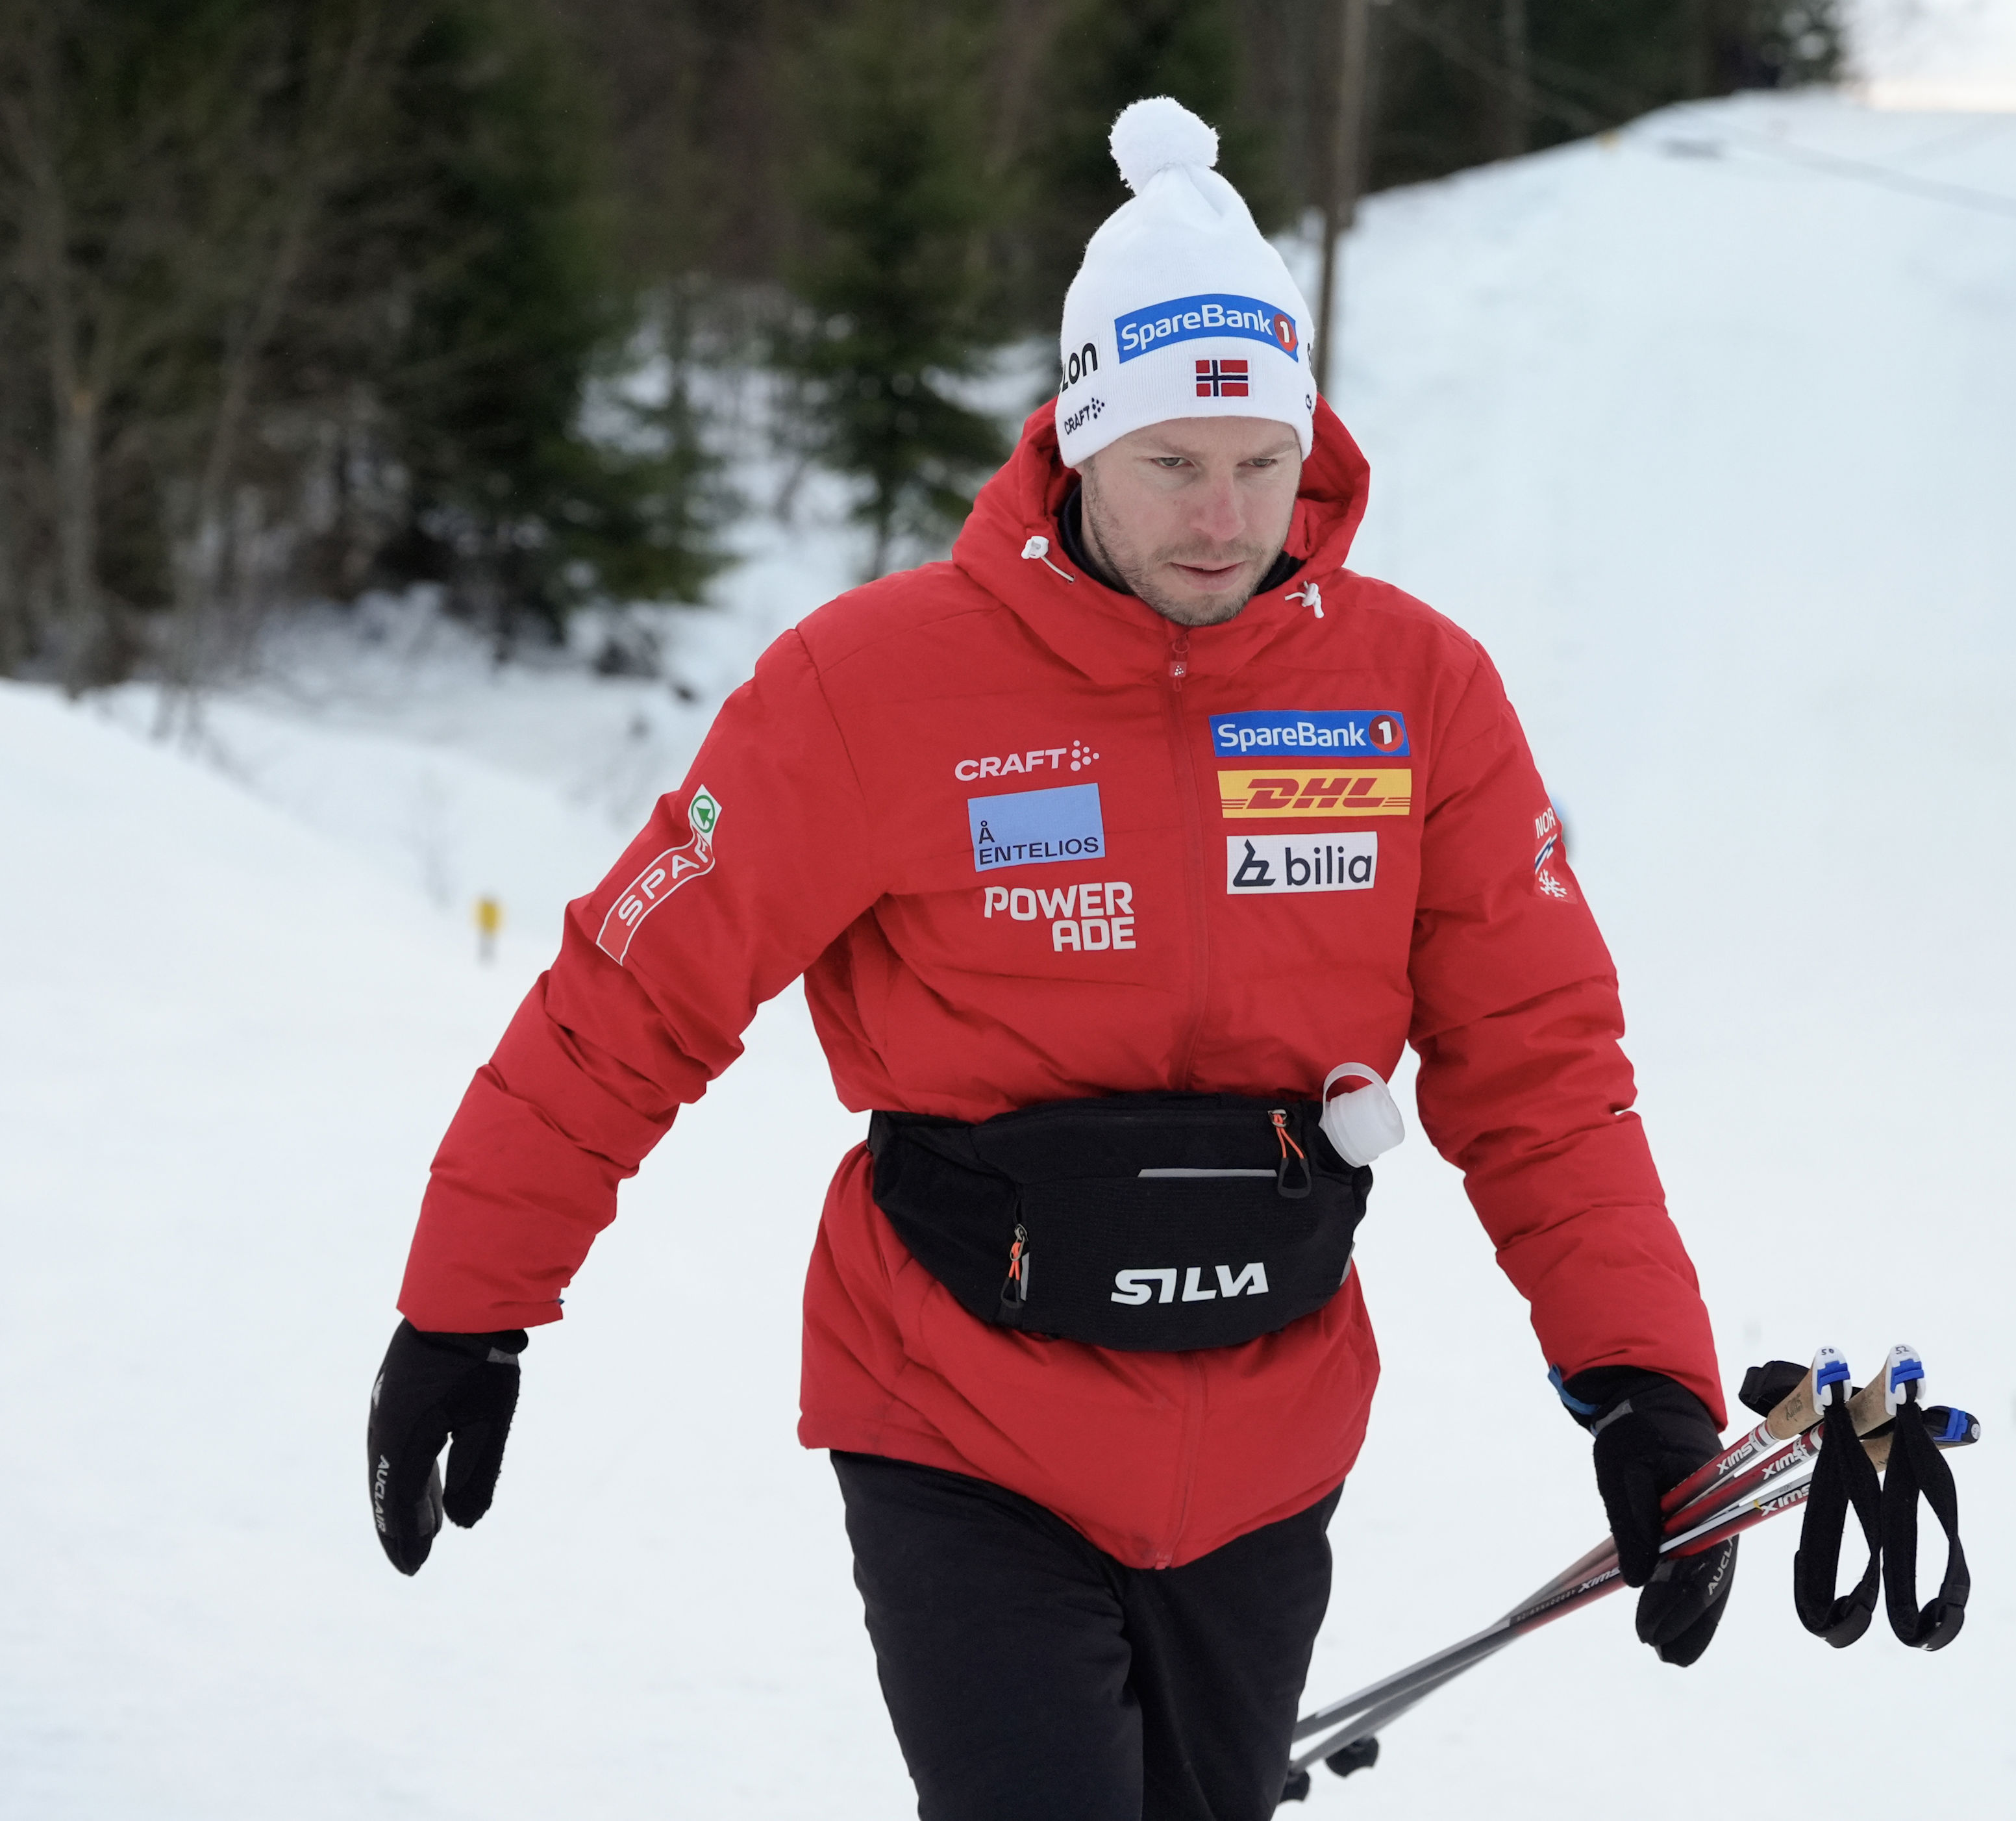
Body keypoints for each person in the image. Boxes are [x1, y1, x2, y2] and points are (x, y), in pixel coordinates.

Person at [366, 97, 1728, 1820]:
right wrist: (468, 1308)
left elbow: (1539, 1062)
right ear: (1076, 442)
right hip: (960, 1418)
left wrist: (1647, 1388)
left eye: (1263, 462)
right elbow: (633, 996)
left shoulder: (1418, 695)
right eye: (1173, 463)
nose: (1226, 515)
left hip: (1267, 1430)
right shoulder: (874, 688)